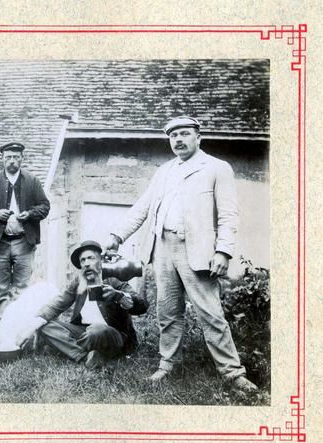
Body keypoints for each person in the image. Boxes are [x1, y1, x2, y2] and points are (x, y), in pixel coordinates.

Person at [107, 116, 257, 393]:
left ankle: (232, 373)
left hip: (197, 251)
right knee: (168, 310)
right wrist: (117, 237)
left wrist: (223, 251)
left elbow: (228, 214)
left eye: (184, 133)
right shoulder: (164, 171)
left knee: (210, 313)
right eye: (173, 135)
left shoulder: (216, 168)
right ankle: (167, 364)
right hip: (162, 247)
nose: (178, 139)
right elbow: (142, 207)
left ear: (198, 137)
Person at [15, 240, 147, 369]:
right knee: (46, 326)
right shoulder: (79, 283)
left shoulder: (114, 280)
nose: (86, 264)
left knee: (96, 331)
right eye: (83, 260)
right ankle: (85, 357)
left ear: (100, 261)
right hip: (83, 331)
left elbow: (142, 305)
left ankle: (67, 348)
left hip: (112, 334)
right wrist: (31, 326)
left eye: (91, 258)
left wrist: (119, 295)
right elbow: (57, 304)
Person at [0, 142, 50, 318]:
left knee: (22, 286)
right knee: (0, 286)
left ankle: (19, 322)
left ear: (22, 159)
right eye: (8, 157)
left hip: (24, 241)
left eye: (16, 157)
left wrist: (30, 214)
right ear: (2, 159)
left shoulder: (32, 181)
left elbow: (45, 206)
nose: (12, 161)